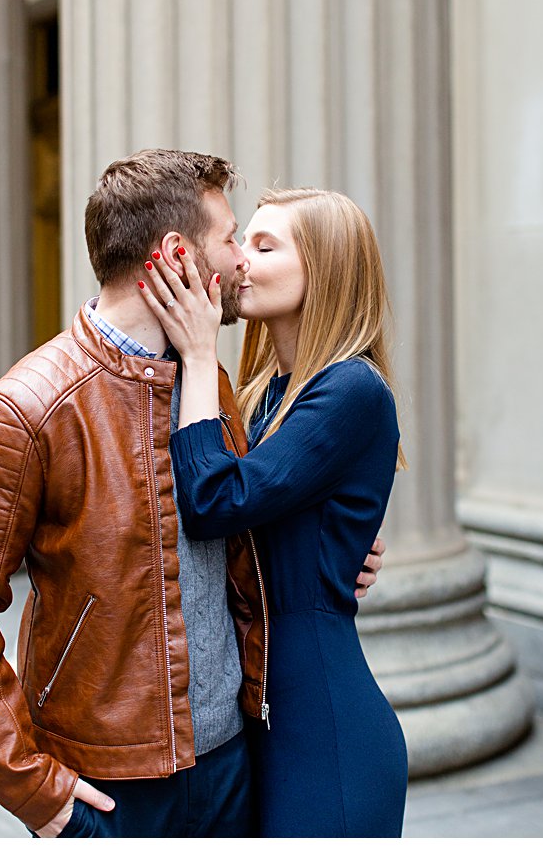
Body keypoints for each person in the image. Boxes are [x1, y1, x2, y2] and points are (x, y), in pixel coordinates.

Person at [0, 150, 383, 837]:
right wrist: (32, 786)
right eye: (230, 237)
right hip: (111, 785)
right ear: (175, 257)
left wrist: (338, 547)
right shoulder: (24, 408)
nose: (239, 260)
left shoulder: (212, 385)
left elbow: (243, 515)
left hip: (234, 765)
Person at [140, 186, 407, 835]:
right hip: (263, 715)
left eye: (265, 245)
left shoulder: (352, 388)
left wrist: (200, 353)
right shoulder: (268, 393)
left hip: (325, 733)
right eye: (241, 241)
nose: (241, 262)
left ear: (327, 268)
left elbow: (214, 500)